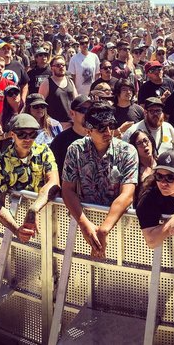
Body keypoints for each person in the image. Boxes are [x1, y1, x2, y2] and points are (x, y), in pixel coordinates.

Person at [62, 102, 138, 258]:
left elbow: (127, 194)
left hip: (119, 223)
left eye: (110, 126)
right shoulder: (75, 150)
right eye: (102, 128)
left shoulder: (127, 151)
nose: (108, 132)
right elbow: (67, 190)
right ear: (88, 130)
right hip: (84, 220)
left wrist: (104, 229)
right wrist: (84, 224)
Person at [0, 113, 60, 243]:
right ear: (12, 135)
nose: (27, 139)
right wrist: (17, 230)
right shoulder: (0, 162)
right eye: (22, 134)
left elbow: (54, 182)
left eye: (32, 134)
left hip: (46, 217)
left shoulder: (44, 152)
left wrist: (33, 209)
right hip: (15, 223)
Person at [48, 94, 93, 166]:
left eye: (91, 110)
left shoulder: (97, 137)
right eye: (83, 110)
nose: (88, 113)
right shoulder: (60, 141)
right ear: (72, 113)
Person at [39, 55, 77, 129]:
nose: (61, 67)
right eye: (58, 65)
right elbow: (40, 105)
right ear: (52, 68)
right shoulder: (46, 83)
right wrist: (47, 121)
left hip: (71, 124)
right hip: (54, 126)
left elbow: (76, 101)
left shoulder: (70, 81)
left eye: (63, 65)